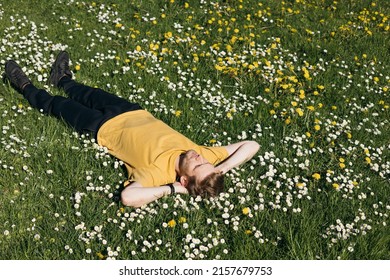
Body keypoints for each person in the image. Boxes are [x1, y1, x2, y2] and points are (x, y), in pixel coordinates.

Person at [3, 51, 260, 207]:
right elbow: (251, 145)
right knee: (87, 92)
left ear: (184, 180)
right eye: (205, 161)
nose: (198, 156)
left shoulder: (157, 174)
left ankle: (25, 86)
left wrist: (172, 190)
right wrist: (220, 167)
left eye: (197, 165)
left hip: (101, 128)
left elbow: (128, 197)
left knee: (56, 105)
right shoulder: (204, 157)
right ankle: (62, 79)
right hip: (132, 111)